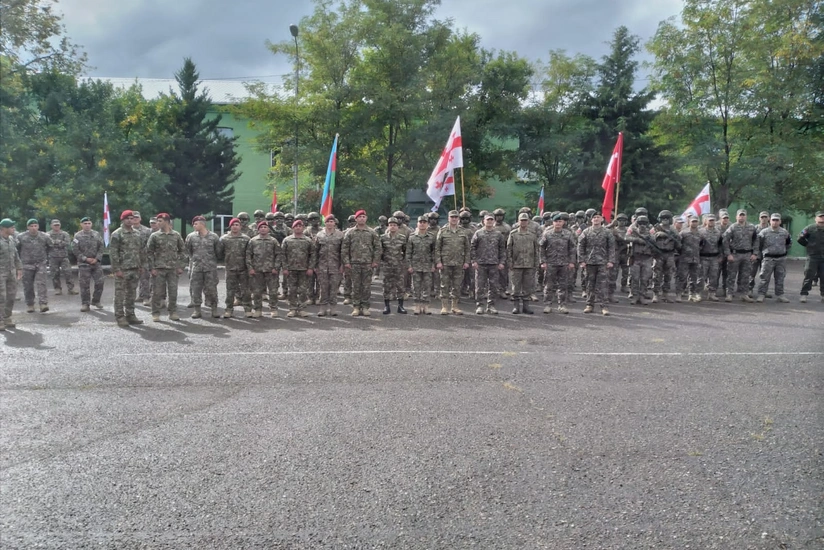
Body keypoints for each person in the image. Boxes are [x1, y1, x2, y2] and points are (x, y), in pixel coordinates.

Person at [146, 213, 186, 321]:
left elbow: (183, 251)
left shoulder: (176, 235)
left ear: (167, 222)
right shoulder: (154, 236)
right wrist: (152, 268)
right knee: (157, 292)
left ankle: (172, 312)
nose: (157, 223)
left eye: (160, 221)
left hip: (173, 269)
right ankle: (155, 313)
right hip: (159, 268)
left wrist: (181, 266)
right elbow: (149, 252)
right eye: (157, 221)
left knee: (173, 292)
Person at [109, 210, 146, 326]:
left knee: (131, 294)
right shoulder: (117, 234)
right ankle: (120, 316)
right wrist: (117, 269)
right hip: (123, 269)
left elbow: (141, 251)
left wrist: (141, 265)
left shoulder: (137, 233)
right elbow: (113, 253)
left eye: (132, 218)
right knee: (120, 294)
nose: (130, 220)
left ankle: (130, 315)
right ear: (123, 219)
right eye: (127, 218)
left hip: (135, 268)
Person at [342, 210, 381, 316]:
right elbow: (345, 248)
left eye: (363, 216)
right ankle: (356, 307)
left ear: (366, 218)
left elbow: (378, 248)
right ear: (356, 219)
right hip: (354, 263)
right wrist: (346, 262)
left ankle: (365, 307)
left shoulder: (372, 232)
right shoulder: (350, 232)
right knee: (356, 286)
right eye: (359, 217)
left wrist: (375, 261)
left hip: (368, 263)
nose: (362, 218)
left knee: (366, 286)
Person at [577, 213, 616, 315]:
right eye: (594, 217)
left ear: (602, 219)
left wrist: (611, 260)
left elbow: (611, 247)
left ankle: (604, 306)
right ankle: (589, 305)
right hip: (590, 262)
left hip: (603, 262)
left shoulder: (607, 232)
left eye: (598, 217)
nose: (596, 219)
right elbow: (580, 246)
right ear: (591, 220)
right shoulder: (586, 231)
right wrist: (581, 260)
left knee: (603, 285)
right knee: (590, 284)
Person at [185, 215, 221, 318]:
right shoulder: (191, 237)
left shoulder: (214, 237)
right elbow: (188, 251)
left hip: (210, 268)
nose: (194, 225)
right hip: (196, 268)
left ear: (203, 224)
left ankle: (214, 309)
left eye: (196, 224)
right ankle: (197, 310)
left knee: (212, 289)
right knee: (196, 289)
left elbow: (218, 252)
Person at [539, 213, 576, 314]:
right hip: (551, 263)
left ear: (563, 222)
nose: (558, 223)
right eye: (556, 221)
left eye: (560, 221)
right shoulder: (547, 234)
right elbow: (541, 248)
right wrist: (543, 261)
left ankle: (562, 305)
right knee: (549, 285)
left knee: (563, 285)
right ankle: (547, 305)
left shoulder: (568, 234)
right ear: (553, 222)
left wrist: (572, 261)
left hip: (564, 263)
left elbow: (572, 248)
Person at [436, 210, 470, 315]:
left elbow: (467, 248)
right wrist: (438, 261)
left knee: (457, 285)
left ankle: (455, 306)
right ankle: (444, 307)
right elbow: (437, 248)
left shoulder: (463, 232)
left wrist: (466, 261)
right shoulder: (442, 231)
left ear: (458, 219)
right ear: (448, 218)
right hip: (445, 262)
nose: (454, 219)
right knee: (444, 285)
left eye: (456, 217)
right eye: (452, 217)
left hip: (459, 262)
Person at [246, 221, 283, 318]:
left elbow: (279, 255)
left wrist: (276, 267)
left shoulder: (273, 241)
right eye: (261, 227)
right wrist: (250, 268)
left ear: (268, 229)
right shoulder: (253, 241)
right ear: (258, 229)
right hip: (257, 270)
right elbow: (248, 255)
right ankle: (258, 309)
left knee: (273, 291)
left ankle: (273, 309)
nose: (263, 228)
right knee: (257, 292)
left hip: (271, 270)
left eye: (265, 227)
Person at [471, 213, 506, 314]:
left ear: (494, 221)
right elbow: (472, 247)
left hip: (494, 264)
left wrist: (502, 262)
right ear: (484, 221)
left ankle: (491, 306)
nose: (490, 221)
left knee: (493, 286)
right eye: (488, 220)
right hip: (481, 264)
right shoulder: (478, 233)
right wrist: (474, 261)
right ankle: (480, 305)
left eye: (491, 220)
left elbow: (502, 249)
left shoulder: (498, 234)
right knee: (479, 286)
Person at [281, 219, 316, 317]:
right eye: (296, 226)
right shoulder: (287, 240)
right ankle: (292, 308)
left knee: (303, 290)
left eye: (300, 226)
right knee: (292, 290)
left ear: (303, 228)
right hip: (291, 269)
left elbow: (312, 255)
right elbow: (283, 255)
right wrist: (284, 268)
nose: (298, 227)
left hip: (304, 269)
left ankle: (301, 309)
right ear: (293, 228)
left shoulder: (308, 240)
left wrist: (310, 268)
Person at [722, 209, 758, 302]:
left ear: (746, 216)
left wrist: (755, 253)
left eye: (743, 215)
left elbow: (756, 241)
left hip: (747, 255)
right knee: (731, 275)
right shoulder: (732, 227)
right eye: (740, 215)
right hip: (735, 254)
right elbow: (725, 240)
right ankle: (729, 294)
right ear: (736, 217)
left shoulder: (751, 227)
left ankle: (744, 294)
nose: (742, 217)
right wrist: (728, 254)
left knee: (746, 276)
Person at [755, 213, 792, 303]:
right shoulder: (764, 232)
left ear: (780, 221)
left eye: (777, 220)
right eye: (773, 220)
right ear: (770, 221)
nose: (775, 222)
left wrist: (781, 251)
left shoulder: (784, 232)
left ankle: (780, 295)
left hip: (781, 259)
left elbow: (789, 243)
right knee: (764, 277)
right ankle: (761, 294)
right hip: (768, 258)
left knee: (780, 277)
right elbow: (758, 244)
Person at [507, 212, 540, 314]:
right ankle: (516, 306)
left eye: (525, 220)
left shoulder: (532, 235)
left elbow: (536, 250)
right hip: (517, 264)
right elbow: (509, 249)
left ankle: (526, 306)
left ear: (528, 221)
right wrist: (510, 262)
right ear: (518, 221)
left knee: (527, 286)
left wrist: (536, 263)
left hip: (529, 264)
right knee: (516, 287)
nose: (523, 222)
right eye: (522, 220)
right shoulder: (513, 234)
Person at [17, 219, 51, 313]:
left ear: (38, 226)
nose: (33, 228)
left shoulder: (44, 236)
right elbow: (16, 249)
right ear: (28, 227)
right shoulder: (21, 237)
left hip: (41, 263)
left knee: (42, 284)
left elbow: (50, 246)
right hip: (27, 264)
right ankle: (30, 304)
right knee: (28, 286)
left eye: (35, 226)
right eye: (31, 226)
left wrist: (46, 258)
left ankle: (43, 303)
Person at [71, 217, 105, 311]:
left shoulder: (96, 234)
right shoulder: (77, 236)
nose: (87, 225)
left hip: (96, 263)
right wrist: (85, 259)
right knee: (84, 285)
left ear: (91, 224)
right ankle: (85, 304)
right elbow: (75, 249)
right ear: (81, 225)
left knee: (100, 282)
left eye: (89, 223)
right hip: (84, 264)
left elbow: (101, 246)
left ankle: (96, 300)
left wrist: (97, 258)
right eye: (85, 223)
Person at [314, 214, 345, 317]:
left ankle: (333, 308)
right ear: (325, 223)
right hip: (322, 266)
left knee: (334, 288)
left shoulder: (340, 235)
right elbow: (315, 251)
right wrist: (315, 265)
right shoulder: (319, 235)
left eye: (331, 222)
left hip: (335, 266)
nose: (329, 223)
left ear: (334, 223)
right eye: (327, 221)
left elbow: (343, 251)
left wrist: (342, 265)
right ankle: (323, 308)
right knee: (323, 287)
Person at [405, 215, 435, 315]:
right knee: (416, 286)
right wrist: (409, 265)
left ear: (427, 224)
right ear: (417, 224)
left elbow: (434, 252)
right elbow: (408, 252)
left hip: (427, 265)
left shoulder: (431, 237)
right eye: (420, 222)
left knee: (427, 286)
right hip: (416, 265)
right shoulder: (412, 237)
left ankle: (425, 306)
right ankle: (417, 305)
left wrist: (433, 264)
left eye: (424, 222)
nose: (422, 224)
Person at [651, 210, 681, 303]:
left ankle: (665, 294)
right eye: (663, 218)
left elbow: (678, 242)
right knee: (657, 275)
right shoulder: (655, 229)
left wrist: (672, 237)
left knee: (668, 275)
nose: (665, 220)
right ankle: (655, 294)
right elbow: (650, 240)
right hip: (659, 254)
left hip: (670, 254)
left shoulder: (673, 229)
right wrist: (658, 234)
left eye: (667, 218)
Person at [625, 215, 655, 305]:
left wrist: (648, 239)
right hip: (635, 258)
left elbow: (654, 240)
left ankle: (642, 296)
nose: (642, 225)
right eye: (640, 223)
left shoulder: (650, 232)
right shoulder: (633, 231)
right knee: (634, 278)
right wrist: (637, 240)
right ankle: (635, 296)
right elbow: (626, 238)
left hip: (646, 258)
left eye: (644, 223)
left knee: (645, 279)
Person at [380, 217, 407, 314]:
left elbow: (405, 251)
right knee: (386, 286)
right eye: (391, 225)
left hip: (399, 265)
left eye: (394, 225)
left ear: (397, 227)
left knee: (400, 286)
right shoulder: (383, 238)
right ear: (388, 226)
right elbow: (380, 252)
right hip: (387, 265)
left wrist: (403, 262)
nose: (392, 227)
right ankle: (387, 306)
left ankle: (401, 306)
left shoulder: (402, 238)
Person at [0, 219, 22, 331]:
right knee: (1, 297)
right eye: (11, 227)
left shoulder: (11, 239)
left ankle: (7, 317)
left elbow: (16, 255)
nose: (14, 229)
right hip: (1, 273)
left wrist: (19, 268)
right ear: (4, 228)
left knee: (11, 296)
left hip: (11, 272)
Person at [797, 210, 824, 303]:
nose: (822, 218)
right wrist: (808, 245)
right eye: (820, 217)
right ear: (815, 218)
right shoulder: (810, 228)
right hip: (813, 256)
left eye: (823, 217)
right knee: (809, 275)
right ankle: (804, 294)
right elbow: (800, 238)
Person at [47, 219, 77, 295]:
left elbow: (67, 243)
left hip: (64, 257)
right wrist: (59, 242)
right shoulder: (47, 235)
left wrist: (55, 242)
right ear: (51, 226)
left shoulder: (65, 234)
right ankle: (57, 289)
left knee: (68, 273)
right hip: (53, 257)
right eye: (55, 225)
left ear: (60, 225)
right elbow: (48, 244)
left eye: (58, 225)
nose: (56, 226)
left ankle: (71, 289)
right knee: (54, 274)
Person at [698, 214, 723, 302]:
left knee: (714, 276)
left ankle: (712, 294)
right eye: (710, 220)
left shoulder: (718, 232)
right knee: (701, 276)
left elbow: (720, 245)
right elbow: (697, 245)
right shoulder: (700, 232)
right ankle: (698, 294)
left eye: (713, 220)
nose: (711, 222)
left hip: (714, 257)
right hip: (703, 257)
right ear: (706, 221)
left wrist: (721, 256)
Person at [677, 216, 702, 302]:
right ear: (689, 222)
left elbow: (702, 245)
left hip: (695, 259)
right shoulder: (683, 233)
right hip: (685, 259)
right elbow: (678, 245)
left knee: (693, 278)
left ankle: (691, 294)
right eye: (692, 221)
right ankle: (679, 294)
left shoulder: (700, 233)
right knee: (682, 277)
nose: (694, 223)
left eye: (696, 221)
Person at [131, 211, 153, 306]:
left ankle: (145, 297)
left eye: (137, 217)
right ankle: (132, 297)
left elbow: (150, 245)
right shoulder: (127, 230)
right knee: (131, 279)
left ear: (140, 218)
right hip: (130, 258)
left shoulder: (147, 230)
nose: (135, 219)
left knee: (144, 278)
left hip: (144, 258)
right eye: (133, 217)